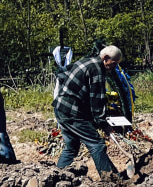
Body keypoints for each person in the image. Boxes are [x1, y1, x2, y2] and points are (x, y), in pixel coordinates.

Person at [53, 45, 123, 179]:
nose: (114, 68)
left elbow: (62, 73)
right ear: (106, 58)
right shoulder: (97, 69)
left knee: (71, 147)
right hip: (72, 113)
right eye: (114, 64)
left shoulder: (86, 61)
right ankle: (111, 179)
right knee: (97, 144)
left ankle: (57, 177)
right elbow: (97, 100)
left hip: (61, 108)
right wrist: (103, 124)